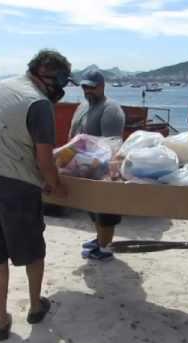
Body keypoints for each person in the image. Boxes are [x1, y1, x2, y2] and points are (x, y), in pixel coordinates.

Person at [0, 49, 71, 341]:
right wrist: (57, 186)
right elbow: (44, 162)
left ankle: (1, 319)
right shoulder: (39, 104)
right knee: (33, 252)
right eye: (62, 79)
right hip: (17, 190)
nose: (62, 87)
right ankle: (35, 307)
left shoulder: (2, 86)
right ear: (46, 74)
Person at [68, 70, 125, 261]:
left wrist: (97, 170)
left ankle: (105, 249)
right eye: (85, 87)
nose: (88, 91)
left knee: (105, 212)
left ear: (102, 86)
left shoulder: (111, 109)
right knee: (93, 210)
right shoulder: (83, 106)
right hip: (84, 170)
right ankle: (100, 239)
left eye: (92, 87)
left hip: (103, 172)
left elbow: (111, 146)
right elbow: (74, 135)